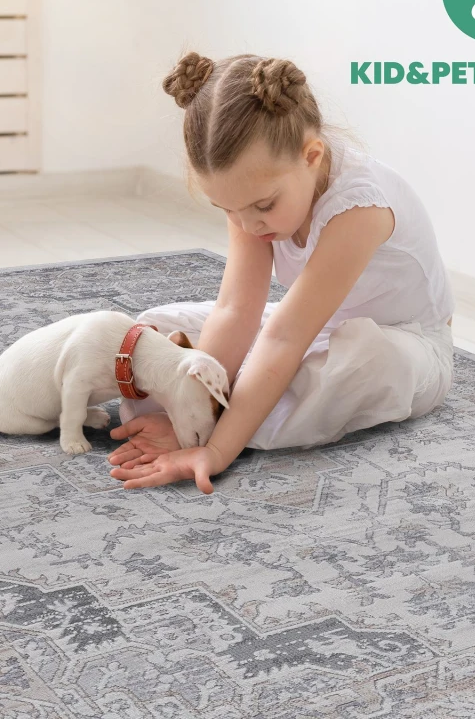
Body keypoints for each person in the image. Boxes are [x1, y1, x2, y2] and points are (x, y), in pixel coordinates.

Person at [107, 51, 455, 494]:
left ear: (312, 156)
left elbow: (285, 338)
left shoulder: (360, 207)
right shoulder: (250, 199)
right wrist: (190, 407)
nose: (249, 225)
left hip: (406, 342)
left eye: (263, 207)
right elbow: (236, 309)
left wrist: (212, 450)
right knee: (155, 327)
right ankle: (214, 413)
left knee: (361, 365)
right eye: (228, 210)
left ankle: (223, 422)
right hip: (311, 323)